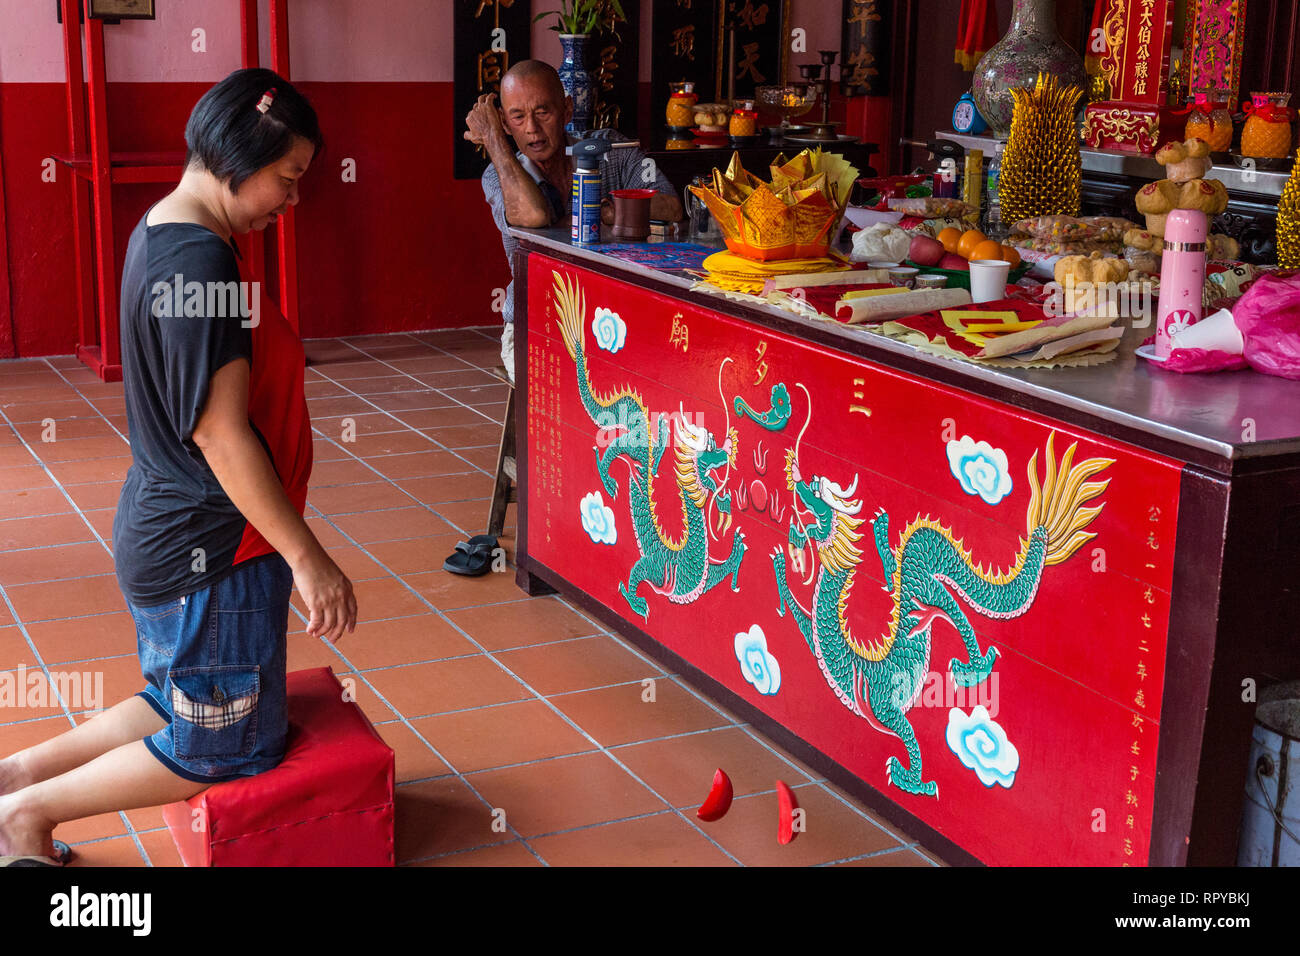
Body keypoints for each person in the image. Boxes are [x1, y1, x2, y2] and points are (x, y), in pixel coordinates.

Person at [0, 68, 357, 867]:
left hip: (177, 533)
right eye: (287, 178)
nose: (290, 201)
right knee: (223, 744)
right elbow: (222, 436)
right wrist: (309, 557)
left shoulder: (166, 229)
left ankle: (16, 774)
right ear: (240, 153)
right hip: (211, 550)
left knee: (180, 701)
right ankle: (26, 813)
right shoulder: (202, 267)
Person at [465, 60, 683, 378]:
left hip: (616, 318)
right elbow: (535, 215)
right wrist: (495, 142)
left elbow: (670, 207)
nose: (531, 129)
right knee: (563, 387)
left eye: (543, 112)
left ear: (567, 110)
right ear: (504, 123)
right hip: (537, 320)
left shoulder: (612, 149)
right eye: (517, 117)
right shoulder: (500, 175)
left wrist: (611, 211)